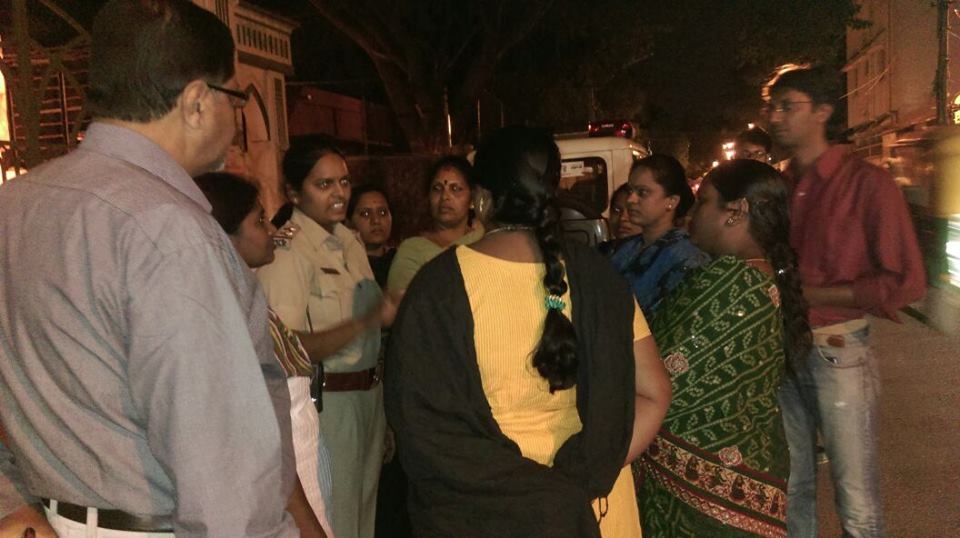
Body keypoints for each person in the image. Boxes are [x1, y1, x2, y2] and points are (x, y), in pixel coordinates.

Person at [0, 1, 298, 536]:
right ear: (198, 102)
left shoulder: (15, 206)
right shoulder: (169, 233)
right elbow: (222, 478)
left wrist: (9, 502)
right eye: (234, 98)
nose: (236, 120)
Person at [384, 126, 672, 537]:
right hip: (594, 512)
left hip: (489, 517)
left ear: (481, 197)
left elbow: (421, 426)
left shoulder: (438, 288)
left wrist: (541, 496)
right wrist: (577, 483)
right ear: (551, 190)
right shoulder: (599, 276)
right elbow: (655, 393)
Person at [763, 63, 926, 537]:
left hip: (839, 349)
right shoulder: (778, 187)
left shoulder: (866, 184)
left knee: (855, 498)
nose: (775, 117)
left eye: (787, 107)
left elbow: (906, 280)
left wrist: (813, 294)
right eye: (772, 107)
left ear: (822, 111)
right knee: (792, 487)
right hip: (781, 349)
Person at [637, 159, 811, 537]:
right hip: (749, 474)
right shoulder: (761, 276)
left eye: (703, 202)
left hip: (705, 493)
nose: (691, 215)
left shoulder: (731, 280)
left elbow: (662, 371)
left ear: (736, 211)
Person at [257, 138, 393, 538]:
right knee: (336, 521)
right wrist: (365, 321)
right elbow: (284, 348)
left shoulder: (349, 241)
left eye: (344, 182)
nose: (339, 194)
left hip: (367, 398)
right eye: (323, 184)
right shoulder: (289, 251)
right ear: (294, 193)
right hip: (327, 404)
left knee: (363, 520)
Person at [195, 171, 337, 538]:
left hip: (302, 467)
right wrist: (307, 525)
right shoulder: (230, 317)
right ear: (225, 238)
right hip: (290, 486)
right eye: (259, 221)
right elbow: (266, 439)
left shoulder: (246, 298)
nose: (271, 230)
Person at [610, 155, 709, 316]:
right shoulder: (626, 248)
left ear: (671, 201)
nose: (631, 200)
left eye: (643, 192)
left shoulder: (686, 258)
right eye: (630, 191)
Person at [386, 155, 484, 294]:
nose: (445, 197)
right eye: (437, 189)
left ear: (473, 199)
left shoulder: (484, 241)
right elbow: (401, 301)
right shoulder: (412, 250)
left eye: (455, 189)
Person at [348, 184, 396, 289]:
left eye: (382, 212)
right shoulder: (344, 264)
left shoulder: (401, 260)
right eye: (365, 214)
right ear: (348, 222)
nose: (376, 220)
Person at [598, 183, 643, 256]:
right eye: (616, 210)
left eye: (632, 211)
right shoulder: (597, 254)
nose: (622, 218)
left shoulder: (656, 257)